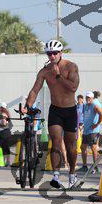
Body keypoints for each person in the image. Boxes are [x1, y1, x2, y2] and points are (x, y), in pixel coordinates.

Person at [24, 40, 80, 188]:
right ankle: (56, 176)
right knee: (55, 142)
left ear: (61, 53)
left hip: (70, 110)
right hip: (56, 110)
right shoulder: (44, 71)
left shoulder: (71, 67)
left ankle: (72, 174)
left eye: (55, 53)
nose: (52, 56)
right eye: (49, 53)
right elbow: (35, 90)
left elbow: (73, 88)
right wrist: (27, 106)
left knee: (70, 146)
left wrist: (58, 76)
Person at [80, 91, 102, 173]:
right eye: (86, 97)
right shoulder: (85, 106)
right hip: (86, 130)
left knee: (93, 148)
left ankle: (95, 167)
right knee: (83, 147)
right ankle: (84, 166)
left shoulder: (94, 105)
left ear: (92, 98)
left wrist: (97, 124)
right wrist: (82, 125)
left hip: (93, 131)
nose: (87, 99)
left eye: (89, 98)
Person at [0, 102, 12, 166]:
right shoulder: (6, 113)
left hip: (4, 132)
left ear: (2, 108)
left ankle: (6, 162)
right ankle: (7, 162)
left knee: (4, 147)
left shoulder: (3, 114)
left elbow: (4, 123)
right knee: (6, 147)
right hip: (6, 132)